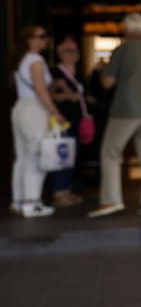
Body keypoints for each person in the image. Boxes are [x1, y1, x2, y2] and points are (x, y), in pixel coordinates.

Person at [88, 13, 141, 218]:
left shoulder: (121, 50)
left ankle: (111, 199)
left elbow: (107, 83)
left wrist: (101, 70)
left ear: (125, 29)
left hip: (126, 109)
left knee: (110, 151)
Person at [9, 24, 65, 217]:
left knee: (22, 157)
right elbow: (40, 90)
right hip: (34, 110)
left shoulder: (22, 60)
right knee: (36, 156)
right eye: (40, 36)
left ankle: (19, 200)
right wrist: (55, 112)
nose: (44, 39)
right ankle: (32, 202)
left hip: (20, 108)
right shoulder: (36, 60)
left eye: (45, 35)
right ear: (29, 40)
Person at [48, 36, 90, 206]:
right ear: (60, 54)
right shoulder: (55, 73)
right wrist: (68, 96)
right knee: (60, 154)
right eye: (69, 50)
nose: (74, 53)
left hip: (77, 119)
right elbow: (48, 95)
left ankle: (66, 189)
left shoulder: (78, 73)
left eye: (76, 50)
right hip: (61, 120)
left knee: (72, 154)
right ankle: (58, 191)